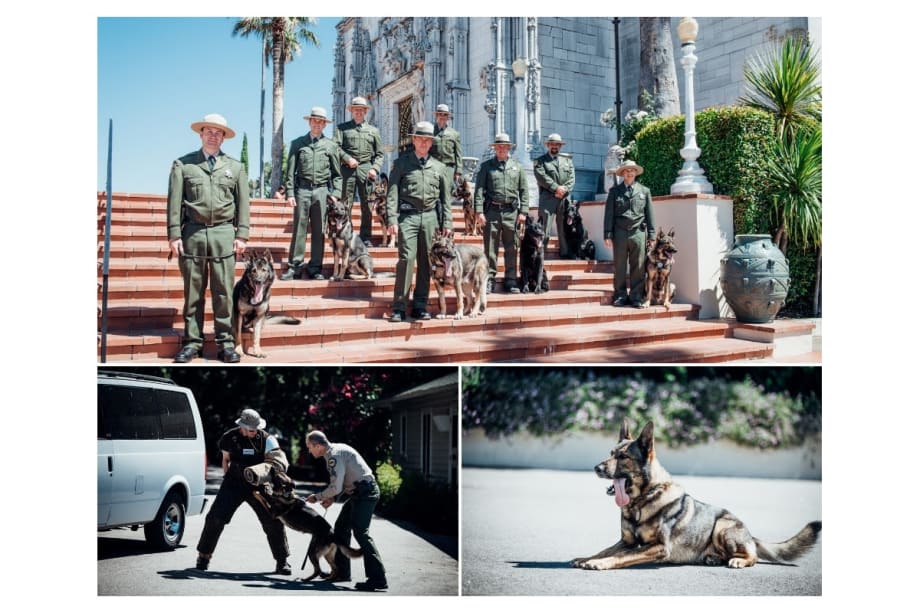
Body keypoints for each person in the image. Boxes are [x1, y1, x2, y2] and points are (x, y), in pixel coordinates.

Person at [167, 113, 249, 363]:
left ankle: (226, 343)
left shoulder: (235, 167)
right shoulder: (184, 165)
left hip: (224, 234)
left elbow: (243, 203)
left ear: (224, 137)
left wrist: (242, 233)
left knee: (223, 292)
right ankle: (192, 342)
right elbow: (174, 202)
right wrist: (174, 234)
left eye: (218, 132)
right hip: (192, 233)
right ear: (201, 134)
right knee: (193, 293)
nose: (213, 136)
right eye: (209, 131)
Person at [195, 408, 292, 574]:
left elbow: (278, 464)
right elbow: (225, 460)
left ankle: (282, 561)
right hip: (233, 483)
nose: (256, 432)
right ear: (243, 427)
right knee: (215, 518)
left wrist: (278, 483)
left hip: (259, 486)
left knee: (273, 521)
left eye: (257, 429)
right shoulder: (229, 437)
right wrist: (226, 482)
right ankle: (204, 556)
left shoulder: (268, 440)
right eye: (252, 430)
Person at [305, 430, 388, 592]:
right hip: (358, 493)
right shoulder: (335, 451)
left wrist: (318, 497)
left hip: (365, 494)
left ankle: (378, 578)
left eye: (309, 447)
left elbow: (336, 486)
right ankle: (342, 572)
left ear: (318, 445)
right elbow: (345, 481)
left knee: (361, 533)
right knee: (341, 527)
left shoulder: (333, 456)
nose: (309, 450)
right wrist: (333, 498)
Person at [386, 121, 451, 322]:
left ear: (431, 143)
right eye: (420, 138)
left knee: (426, 262)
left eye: (427, 140)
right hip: (408, 217)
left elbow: (445, 198)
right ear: (413, 140)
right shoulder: (401, 164)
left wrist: (447, 222)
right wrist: (391, 218)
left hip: (431, 217)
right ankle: (399, 306)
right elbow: (392, 193)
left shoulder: (440, 168)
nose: (424, 143)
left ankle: (420, 306)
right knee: (406, 259)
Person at [281, 107, 343, 281]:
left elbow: (337, 174)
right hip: (302, 190)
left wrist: (335, 193)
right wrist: (290, 193)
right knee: (299, 229)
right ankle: (295, 267)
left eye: (320, 121)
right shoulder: (298, 143)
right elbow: (290, 172)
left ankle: (316, 267)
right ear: (309, 122)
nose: (317, 124)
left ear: (324, 124)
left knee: (319, 230)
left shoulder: (330, 146)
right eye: (314, 120)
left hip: (322, 191)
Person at [474, 132, 530, 294]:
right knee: (490, 248)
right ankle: (489, 279)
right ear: (495, 148)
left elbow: (524, 190)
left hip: (512, 213)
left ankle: (511, 280)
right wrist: (479, 211)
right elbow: (479, 190)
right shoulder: (486, 167)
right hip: (491, 211)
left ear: (509, 148)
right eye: (499, 147)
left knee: (512, 247)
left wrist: (524, 212)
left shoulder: (517, 167)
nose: (501, 149)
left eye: (504, 147)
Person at [603, 160, 656, 307]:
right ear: (623, 174)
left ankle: (636, 296)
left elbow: (650, 215)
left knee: (638, 266)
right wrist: (607, 234)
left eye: (632, 170)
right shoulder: (615, 192)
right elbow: (609, 214)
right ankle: (620, 295)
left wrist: (652, 235)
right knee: (619, 266)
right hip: (619, 233)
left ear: (636, 173)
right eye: (627, 171)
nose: (630, 173)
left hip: (638, 233)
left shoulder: (644, 191)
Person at [334, 96, 384, 247]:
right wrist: (347, 158)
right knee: (345, 205)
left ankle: (366, 236)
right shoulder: (342, 129)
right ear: (352, 111)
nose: (359, 112)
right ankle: (346, 234)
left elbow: (380, 154)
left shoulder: (373, 131)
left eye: (361, 110)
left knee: (367, 205)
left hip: (366, 169)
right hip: (347, 169)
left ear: (365, 112)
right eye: (356, 110)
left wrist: (375, 168)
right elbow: (335, 147)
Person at [532, 133, 575, 258]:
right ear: (548, 145)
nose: (554, 146)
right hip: (548, 198)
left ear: (560, 146)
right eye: (552, 144)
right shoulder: (539, 161)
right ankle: (540, 255)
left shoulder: (567, 161)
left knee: (564, 228)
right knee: (544, 228)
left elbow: (572, 179)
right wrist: (556, 188)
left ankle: (565, 254)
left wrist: (564, 190)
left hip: (564, 199)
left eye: (557, 144)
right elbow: (541, 177)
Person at [430, 103, 463, 186]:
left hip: (448, 168)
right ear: (436, 116)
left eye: (445, 115)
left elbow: (458, 154)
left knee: (447, 196)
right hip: (433, 168)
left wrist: (458, 171)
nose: (442, 116)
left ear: (448, 117)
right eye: (440, 114)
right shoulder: (430, 132)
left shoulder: (454, 134)